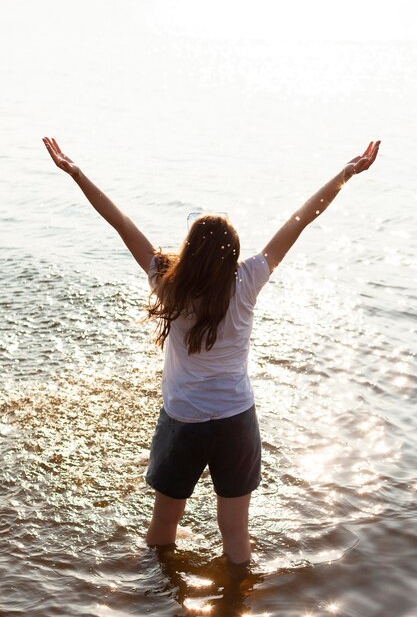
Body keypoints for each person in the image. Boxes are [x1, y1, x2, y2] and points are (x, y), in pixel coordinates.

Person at [42, 137, 380, 565]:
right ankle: (237, 602)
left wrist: (76, 173)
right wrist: (345, 174)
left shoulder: (168, 282)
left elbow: (120, 223)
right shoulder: (249, 279)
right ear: (232, 254)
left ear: (190, 250)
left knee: (163, 527)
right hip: (236, 419)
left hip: (183, 419)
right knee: (236, 532)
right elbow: (300, 221)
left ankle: (157, 601)